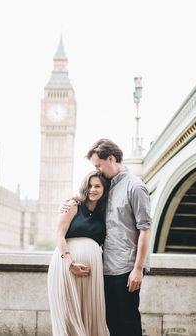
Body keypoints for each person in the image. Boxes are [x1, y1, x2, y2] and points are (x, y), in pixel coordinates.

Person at [63, 138, 152, 336]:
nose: (98, 170)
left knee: (128, 322)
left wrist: (138, 269)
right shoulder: (108, 186)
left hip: (126, 268)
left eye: (98, 165)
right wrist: (72, 200)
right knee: (111, 322)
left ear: (110, 159)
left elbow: (145, 229)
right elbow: (90, 198)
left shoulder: (135, 187)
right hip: (106, 267)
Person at [47, 170, 110, 336]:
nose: (93, 189)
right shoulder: (73, 205)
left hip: (92, 274)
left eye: (97, 186)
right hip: (67, 267)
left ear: (104, 189)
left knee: (90, 317)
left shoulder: (104, 212)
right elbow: (59, 234)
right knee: (69, 315)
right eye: (89, 185)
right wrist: (70, 264)